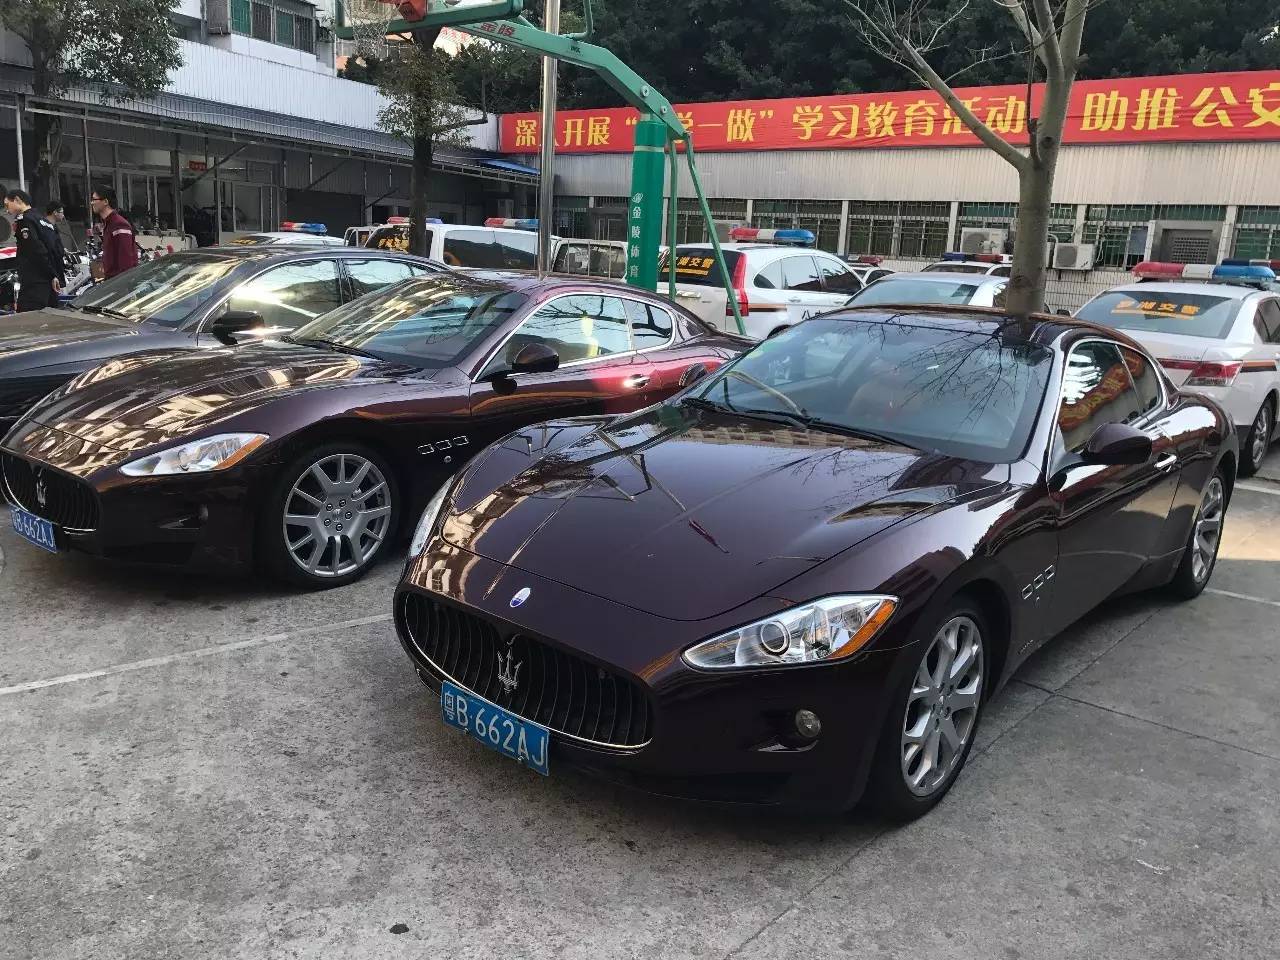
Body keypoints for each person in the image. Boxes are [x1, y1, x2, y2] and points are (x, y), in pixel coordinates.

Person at [3, 188, 65, 312]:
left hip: (34, 283)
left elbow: (36, 250)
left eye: (7, 204)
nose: (6, 210)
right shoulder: (43, 220)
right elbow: (58, 250)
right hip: (50, 283)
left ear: (17, 200)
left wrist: (51, 274)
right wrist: (54, 275)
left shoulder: (24, 220)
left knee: (28, 319)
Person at [91, 186, 138, 279]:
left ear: (105, 201)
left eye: (94, 199)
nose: (91, 203)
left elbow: (126, 262)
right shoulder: (108, 224)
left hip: (121, 282)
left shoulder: (119, 225)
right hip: (112, 281)